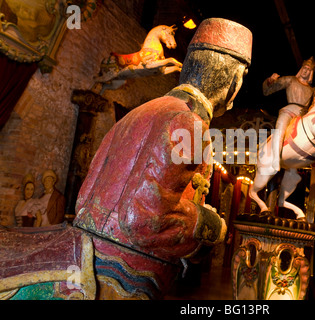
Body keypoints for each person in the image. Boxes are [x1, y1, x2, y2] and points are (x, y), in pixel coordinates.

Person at [74, 18, 252, 295]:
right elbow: (143, 221)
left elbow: (85, 200)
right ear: (234, 81)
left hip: (82, 259)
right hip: (120, 277)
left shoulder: (140, 111)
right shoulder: (188, 122)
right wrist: (210, 225)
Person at [263, 57, 315, 182]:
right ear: (301, 68)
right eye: (304, 68)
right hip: (290, 110)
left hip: (304, 116)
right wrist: (270, 81)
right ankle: (275, 158)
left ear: (311, 73)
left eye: (308, 70)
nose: (305, 71)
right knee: (280, 126)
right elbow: (267, 91)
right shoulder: (291, 80)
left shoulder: (312, 90)